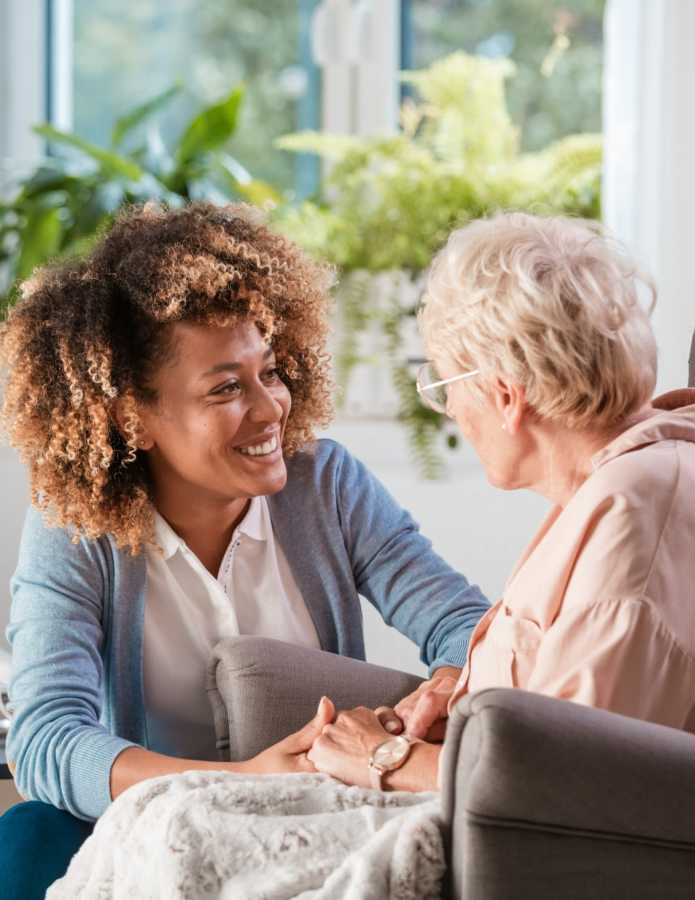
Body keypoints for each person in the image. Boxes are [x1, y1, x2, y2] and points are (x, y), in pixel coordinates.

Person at [0, 201, 490, 898]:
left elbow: (468, 630)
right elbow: (47, 741)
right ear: (132, 417)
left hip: (304, 825)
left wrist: (444, 687)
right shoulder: (73, 529)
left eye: (271, 371)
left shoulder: (327, 484)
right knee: (27, 838)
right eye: (226, 387)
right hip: (148, 825)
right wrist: (243, 782)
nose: (270, 408)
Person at [307, 211, 695, 793]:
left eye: (444, 387)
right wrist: (466, 700)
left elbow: (567, 784)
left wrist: (384, 757)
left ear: (505, 395)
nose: (453, 413)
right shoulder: (622, 478)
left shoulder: (634, 511)